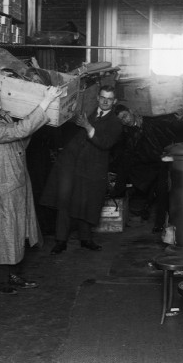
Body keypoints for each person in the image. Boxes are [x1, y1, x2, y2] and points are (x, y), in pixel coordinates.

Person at [0, 78, 63, 295]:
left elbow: (21, 138)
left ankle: (14, 274)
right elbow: (19, 132)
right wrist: (45, 101)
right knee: (2, 231)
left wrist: (29, 125)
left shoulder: (1, 115)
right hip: (2, 183)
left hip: (17, 179)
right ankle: (0, 280)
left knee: (17, 228)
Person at [49, 85, 123, 254]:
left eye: (109, 99)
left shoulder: (115, 123)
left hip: (93, 168)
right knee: (65, 201)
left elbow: (105, 143)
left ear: (115, 101)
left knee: (86, 202)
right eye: (103, 97)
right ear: (97, 97)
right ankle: (60, 241)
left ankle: (85, 239)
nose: (105, 101)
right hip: (71, 163)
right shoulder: (86, 110)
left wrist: (88, 126)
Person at [113, 104, 183, 232]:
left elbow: (172, 125)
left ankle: (161, 223)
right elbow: (127, 154)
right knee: (154, 190)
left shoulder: (150, 121)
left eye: (125, 116)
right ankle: (157, 216)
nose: (125, 120)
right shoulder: (126, 133)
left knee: (163, 191)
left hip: (163, 161)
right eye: (121, 119)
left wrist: (180, 118)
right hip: (147, 166)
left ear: (131, 111)